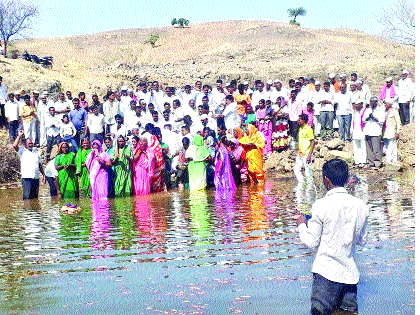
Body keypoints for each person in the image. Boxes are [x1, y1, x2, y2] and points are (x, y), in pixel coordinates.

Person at [296, 158, 369, 315]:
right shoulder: (361, 206)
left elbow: (312, 241)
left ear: (326, 180)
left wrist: (302, 225)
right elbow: (362, 241)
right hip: (349, 278)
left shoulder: (321, 205)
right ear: (347, 178)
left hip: (326, 276)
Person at [13, 130, 45, 200]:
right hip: (27, 177)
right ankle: (27, 210)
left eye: (31, 143)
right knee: (27, 197)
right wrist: (19, 136)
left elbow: (39, 164)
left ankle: (35, 210)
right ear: (25, 144)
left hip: (36, 177)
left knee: (35, 197)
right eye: (29, 143)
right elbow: (14, 145)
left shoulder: (35, 151)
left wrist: (43, 175)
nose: (30, 145)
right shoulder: (22, 151)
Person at [363, 97, 385, 168]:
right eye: (371, 101)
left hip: (376, 132)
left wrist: (374, 117)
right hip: (367, 131)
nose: (372, 103)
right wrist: (368, 118)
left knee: (376, 149)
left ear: (376, 102)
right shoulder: (368, 109)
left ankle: (378, 163)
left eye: (373, 102)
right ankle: (370, 162)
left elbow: (382, 120)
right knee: (369, 149)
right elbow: (363, 119)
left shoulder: (380, 110)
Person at [294, 114, 315, 183]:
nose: (298, 121)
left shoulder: (308, 129)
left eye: (299, 120)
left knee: (308, 173)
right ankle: (302, 184)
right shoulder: (300, 128)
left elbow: (312, 142)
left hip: (306, 154)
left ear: (303, 120)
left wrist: (309, 155)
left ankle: (310, 189)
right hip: (300, 154)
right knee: (296, 170)